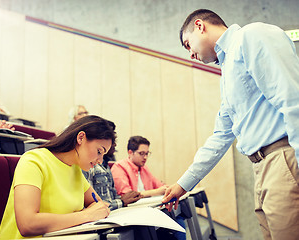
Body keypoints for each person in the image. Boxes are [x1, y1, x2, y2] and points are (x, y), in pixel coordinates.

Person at [162, 9, 299, 240]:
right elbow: (220, 136)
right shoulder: (227, 71)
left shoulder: (251, 36)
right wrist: (182, 185)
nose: (190, 54)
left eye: (188, 44)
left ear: (199, 26)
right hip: (262, 168)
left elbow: (292, 98)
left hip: (282, 160)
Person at [0, 115, 116, 239]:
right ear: (81, 138)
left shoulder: (75, 169)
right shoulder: (34, 161)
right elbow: (27, 224)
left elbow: (98, 205)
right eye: (99, 152)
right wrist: (86, 216)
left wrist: (92, 212)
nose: (100, 161)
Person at [83, 142, 142, 211]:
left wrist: (123, 200)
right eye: (112, 142)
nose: (115, 145)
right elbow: (95, 207)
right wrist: (121, 201)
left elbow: (113, 196)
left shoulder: (107, 167)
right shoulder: (89, 167)